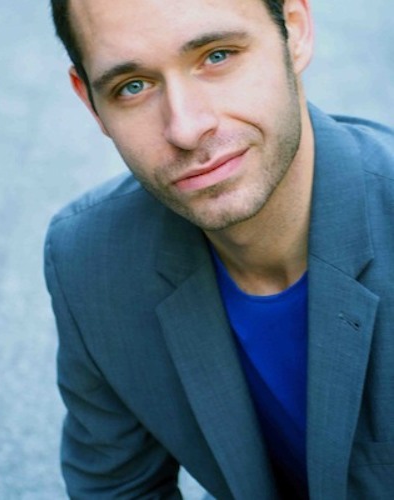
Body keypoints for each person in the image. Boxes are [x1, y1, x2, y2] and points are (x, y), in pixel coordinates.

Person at [44, 0, 394, 497]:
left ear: (294, 30)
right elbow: (120, 489)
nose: (186, 129)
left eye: (217, 56)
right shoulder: (91, 261)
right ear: (91, 103)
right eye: (133, 86)